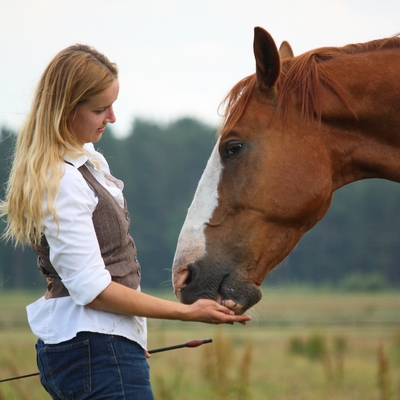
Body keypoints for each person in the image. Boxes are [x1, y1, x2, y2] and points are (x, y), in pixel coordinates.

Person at [0, 44, 250, 399]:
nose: (112, 117)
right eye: (100, 109)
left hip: (96, 349)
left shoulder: (81, 164)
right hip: (97, 353)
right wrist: (188, 313)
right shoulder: (66, 181)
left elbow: (66, 280)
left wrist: (123, 335)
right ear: (64, 110)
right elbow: (92, 289)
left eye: (112, 106)